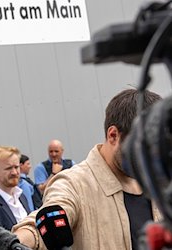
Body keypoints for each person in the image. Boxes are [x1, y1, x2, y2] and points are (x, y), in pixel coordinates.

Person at [13, 89, 163, 250]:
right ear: (113, 135)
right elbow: (44, 222)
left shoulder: (160, 183)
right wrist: (14, 241)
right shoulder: (74, 184)